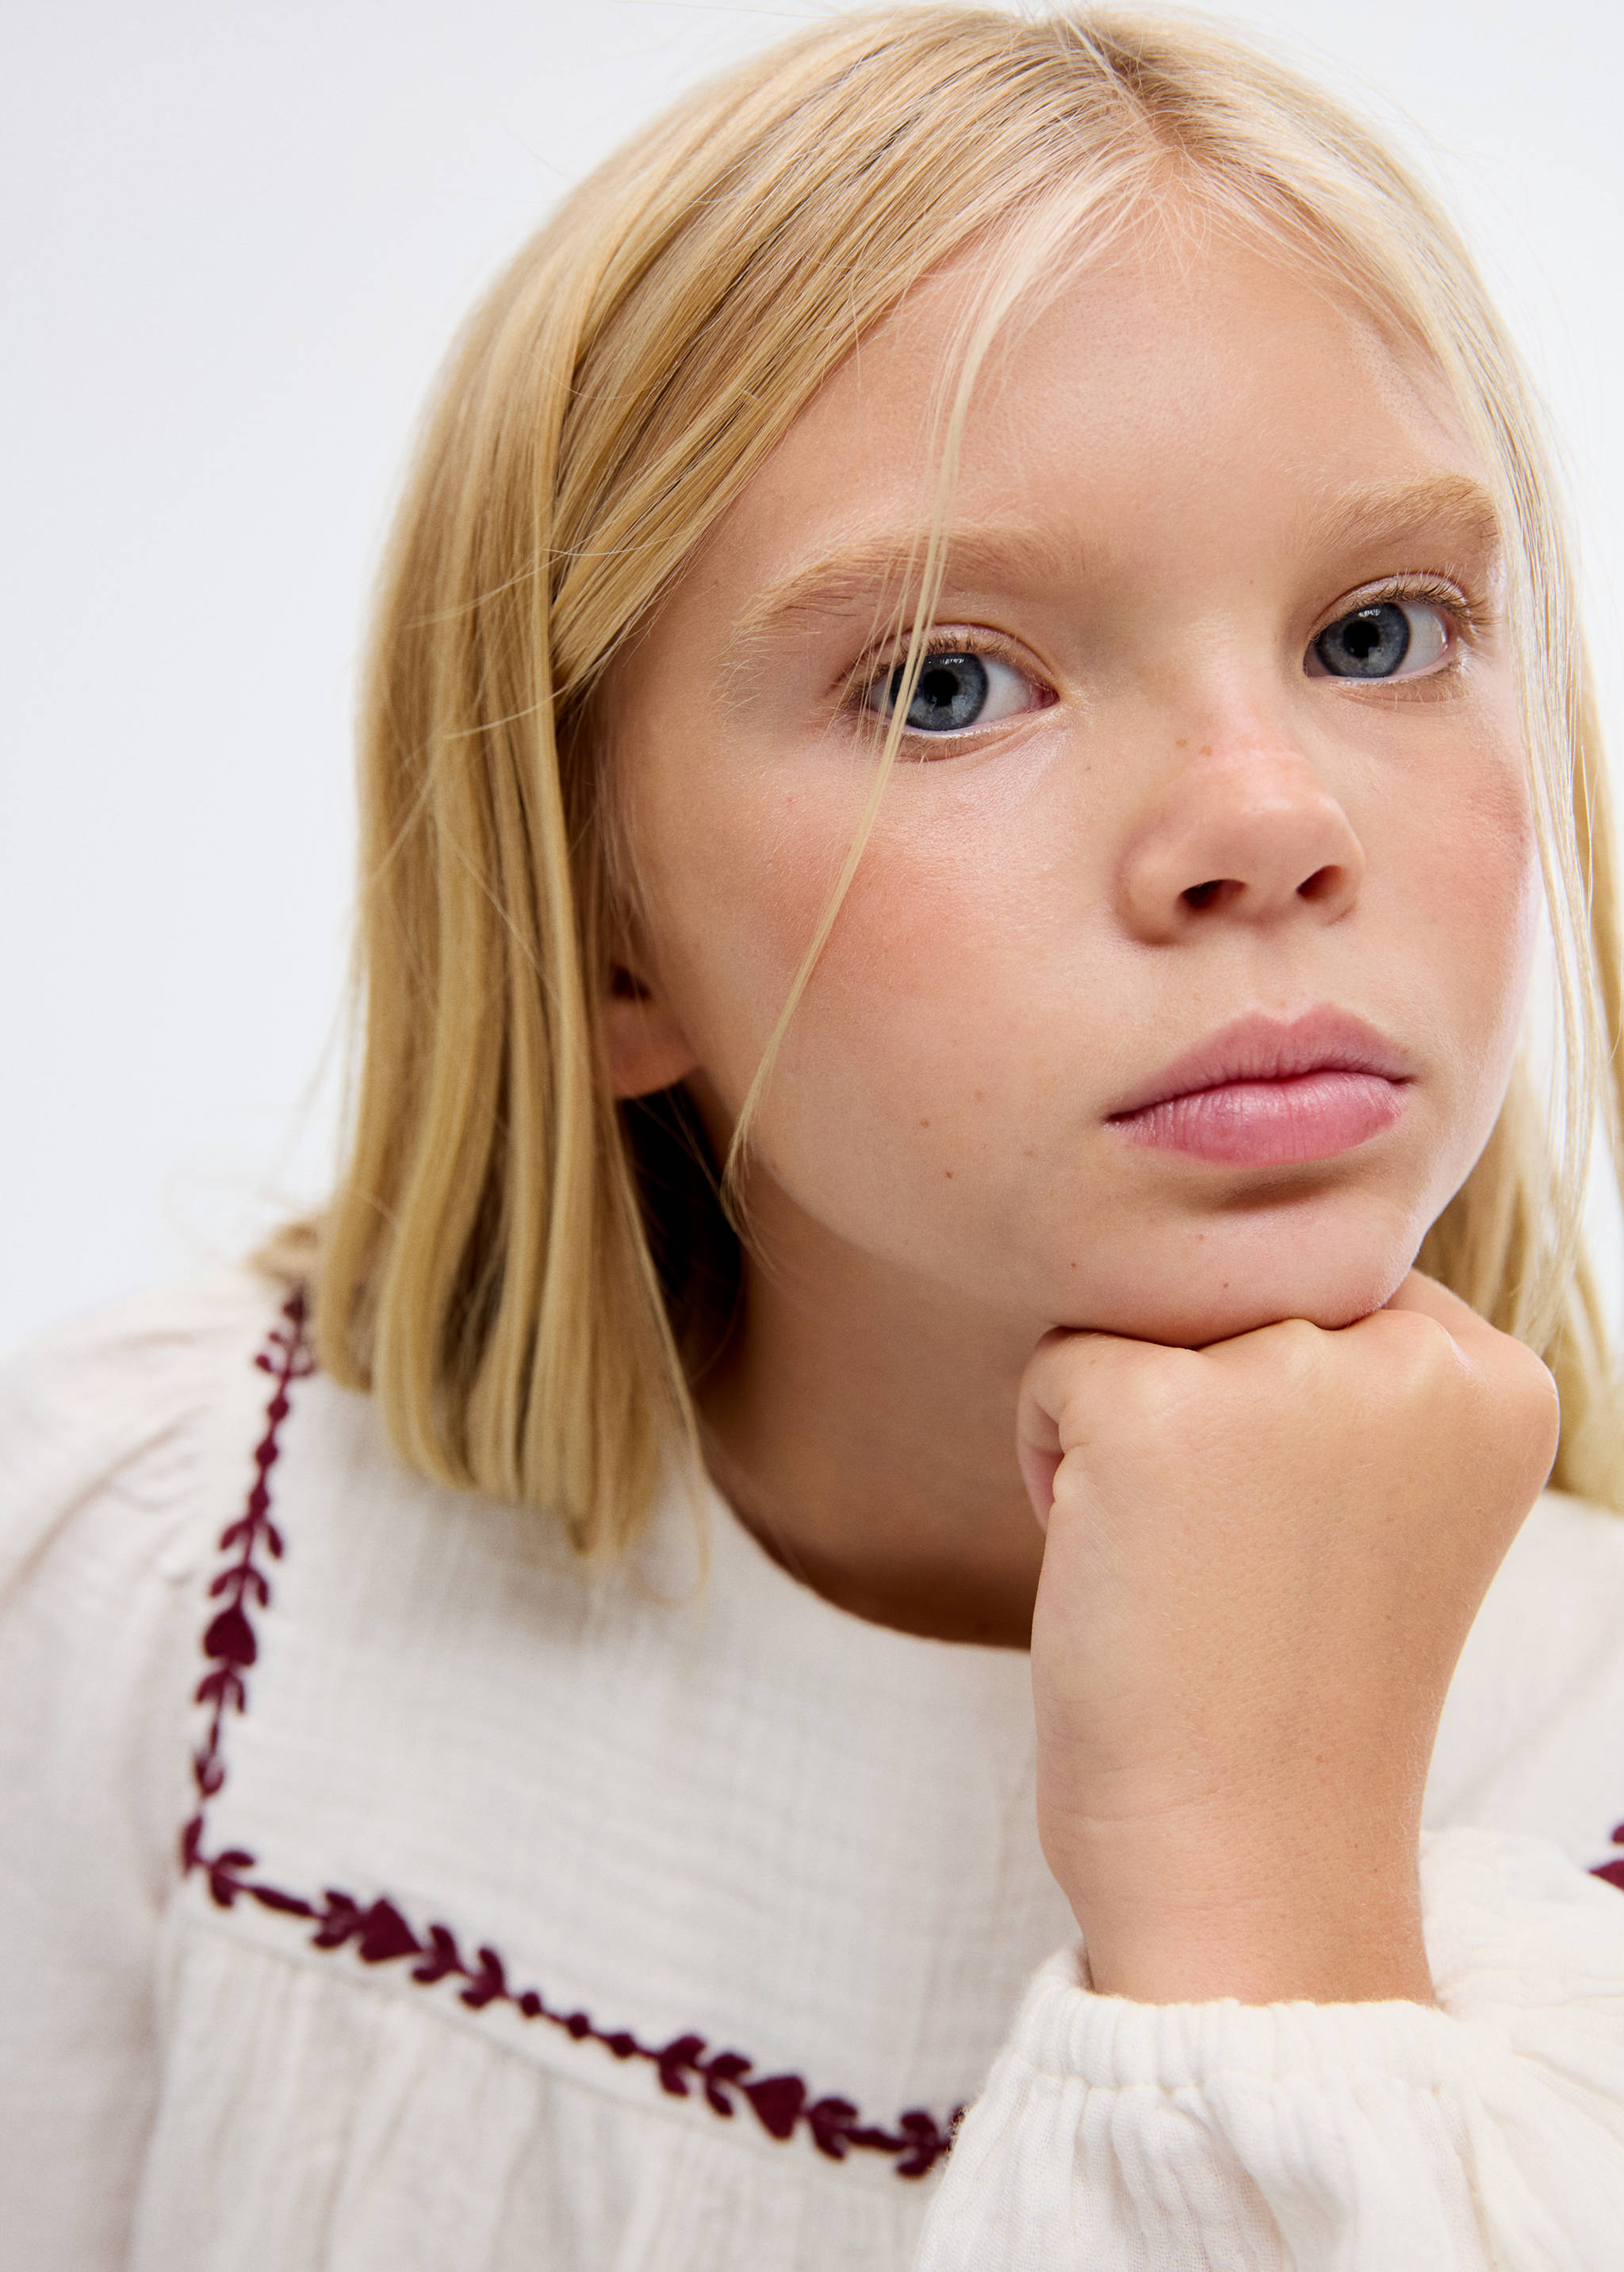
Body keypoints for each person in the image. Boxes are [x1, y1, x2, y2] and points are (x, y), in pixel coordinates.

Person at [7, 6, 1624, 2263]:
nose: (1269, 817)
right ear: (599, 935)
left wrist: (1260, 1917)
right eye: (948, 683)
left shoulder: (1590, 1804)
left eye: (1379, 630)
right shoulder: (174, 1591)